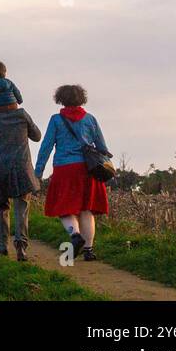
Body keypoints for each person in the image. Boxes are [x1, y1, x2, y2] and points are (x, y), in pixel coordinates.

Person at [35, 84, 110, 262]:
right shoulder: (90, 119)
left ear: (61, 99)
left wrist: (38, 172)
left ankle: (75, 235)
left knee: (64, 208)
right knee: (86, 210)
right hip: (87, 169)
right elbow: (102, 148)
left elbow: (46, 147)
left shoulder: (56, 120)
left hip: (64, 169)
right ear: (81, 98)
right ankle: (89, 251)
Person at [0, 104, 42, 260]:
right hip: (20, 167)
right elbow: (37, 136)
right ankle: (21, 246)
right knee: (21, 207)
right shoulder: (21, 115)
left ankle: (2, 247)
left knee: (2, 209)